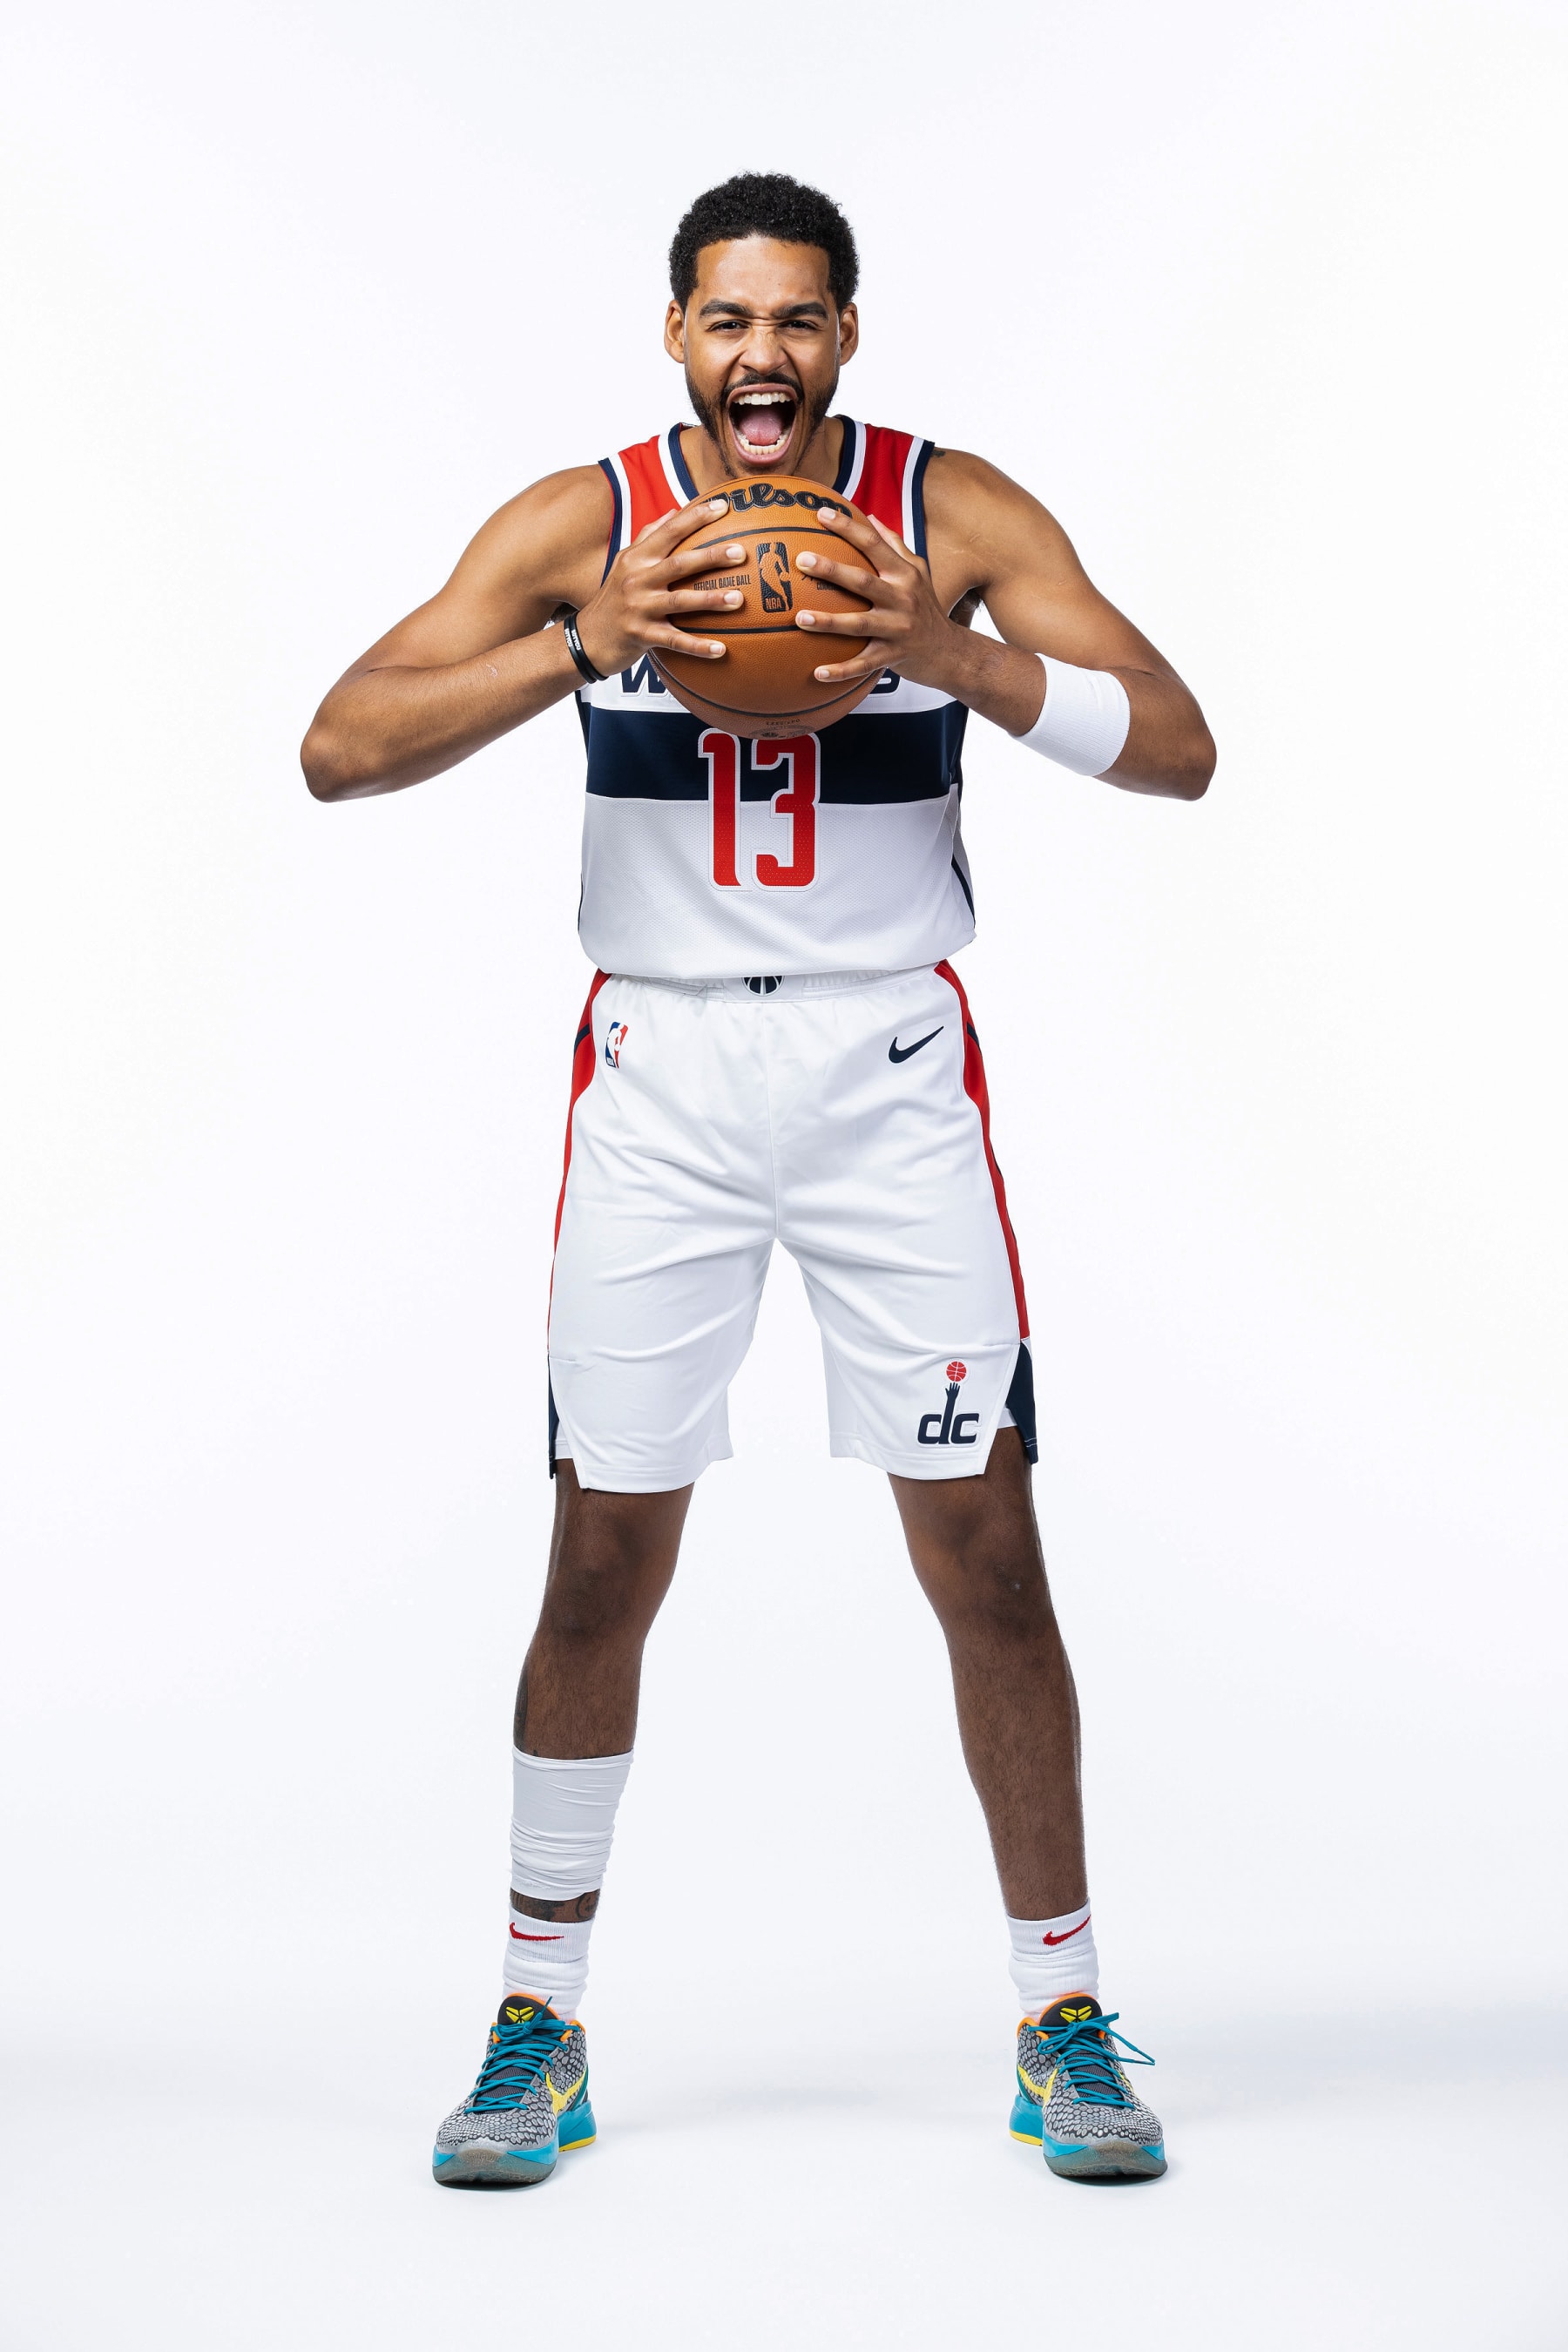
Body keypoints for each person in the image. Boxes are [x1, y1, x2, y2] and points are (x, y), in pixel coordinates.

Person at [301, 172, 1214, 2190]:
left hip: (890, 1075)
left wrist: (958, 664)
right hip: (667, 1077)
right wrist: (583, 645)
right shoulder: (589, 522)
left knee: (984, 1548)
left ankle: (1063, 2014)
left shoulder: (949, 513)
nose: (763, 357)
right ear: (675, 335)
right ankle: (539, 2020)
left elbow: (1180, 742)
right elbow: (339, 748)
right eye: (729, 320)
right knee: (603, 1556)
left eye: (799, 321)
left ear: (848, 339)